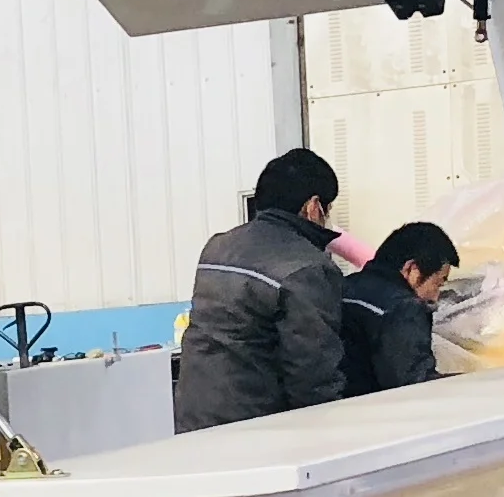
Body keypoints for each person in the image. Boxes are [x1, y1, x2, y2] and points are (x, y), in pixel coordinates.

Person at [174, 147, 349, 432]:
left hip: (194, 416)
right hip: (253, 429)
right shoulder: (308, 267)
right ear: (314, 206)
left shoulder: (218, 247)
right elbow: (311, 374)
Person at [336, 221, 459, 395]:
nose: (435, 297)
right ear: (412, 269)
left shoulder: (344, 287)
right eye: (438, 283)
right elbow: (417, 387)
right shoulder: (403, 309)